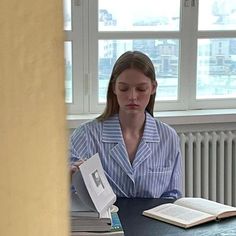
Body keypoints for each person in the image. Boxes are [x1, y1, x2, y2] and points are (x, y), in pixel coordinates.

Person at [70, 51, 182, 199]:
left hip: (153, 221)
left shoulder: (168, 137)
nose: (132, 96)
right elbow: (70, 195)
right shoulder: (85, 136)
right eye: (124, 88)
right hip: (105, 222)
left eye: (141, 89)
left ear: (153, 88)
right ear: (114, 88)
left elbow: (173, 195)